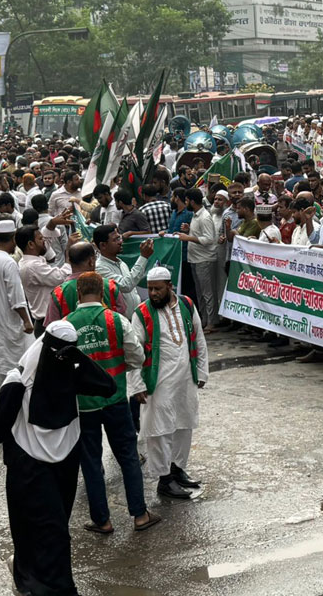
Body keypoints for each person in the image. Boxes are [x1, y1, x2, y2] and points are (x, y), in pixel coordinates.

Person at [0, 321, 116, 595]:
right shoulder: (18, 382)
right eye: (56, 351)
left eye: (66, 353)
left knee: (46, 530)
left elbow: (107, 386)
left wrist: (76, 357)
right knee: (53, 532)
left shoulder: (69, 371)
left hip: (65, 463)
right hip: (28, 466)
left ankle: (23, 576)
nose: (60, 358)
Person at [68, 272, 160, 535]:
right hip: (116, 399)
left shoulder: (66, 325)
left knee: (91, 462)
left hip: (83, 405)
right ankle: (140, 514)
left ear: (78, 293)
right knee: (128, 458)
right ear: (102, 292)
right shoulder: (117, 320)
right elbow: (137, 356)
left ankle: (102, 520)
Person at [128, 267, 209, 500]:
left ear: (170, 287)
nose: (152, 293)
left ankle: (177, 469)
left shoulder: (186, 304)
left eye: (158, 289)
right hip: (158, 381)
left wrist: (202, 371)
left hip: (185, 378)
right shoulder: (141, 313)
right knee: (159, 430)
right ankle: (164, 480)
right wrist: (136, 386)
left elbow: (199, 338)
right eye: (150, 289)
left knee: (184, 424)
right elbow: (133, 353)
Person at [0, 219, 35, 377]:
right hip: (9, 321)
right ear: (13, 238)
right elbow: (16, 297)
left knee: (4, 366)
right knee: (17, 367)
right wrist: (26, 320)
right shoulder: (8, 262)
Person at [174, 188, 219, 331]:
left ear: (192, 202)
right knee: (200, 293)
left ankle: (212, 322)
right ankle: (205, 320)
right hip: (195, 258)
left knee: (207, 293)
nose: (185, 203)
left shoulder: (205, 217)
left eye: (186, 200)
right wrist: (188, 230)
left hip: (204, 260)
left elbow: (209, 239)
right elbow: (200, 234)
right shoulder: (196, 215)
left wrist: (188, 237)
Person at [17, 225, 72, 336]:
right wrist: (69, 252)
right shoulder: (32, 266)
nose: (44, 242)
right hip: (46, 323)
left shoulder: (32, 261)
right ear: (31, 244)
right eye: (41, 239)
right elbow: (61, 277)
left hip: (47, 320)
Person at [94, 225, 154, 317]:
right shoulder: (100, 268)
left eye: (120, 238)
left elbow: (132, 288)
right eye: (115, 240)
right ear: (103, 245)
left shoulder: (121, 263)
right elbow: (126, 285)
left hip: (134, 318)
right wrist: (143, 257)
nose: (120, 242)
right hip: (121, 323)